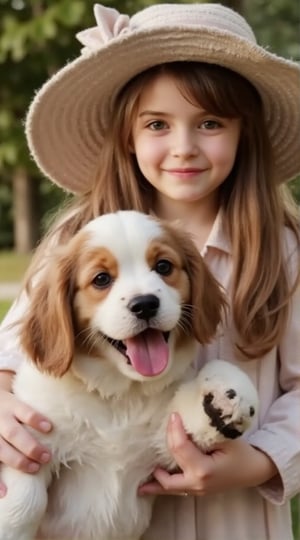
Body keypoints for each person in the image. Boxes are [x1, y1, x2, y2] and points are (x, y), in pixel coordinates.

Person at [0, 3, 299, 539]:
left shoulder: (282, 250)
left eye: (210, 123)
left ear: (244, 134)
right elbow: (15, 353)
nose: (184, 147)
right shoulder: (76, 239)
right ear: (127, 137)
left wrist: (254, 461)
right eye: (157, 124)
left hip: (232, 519)